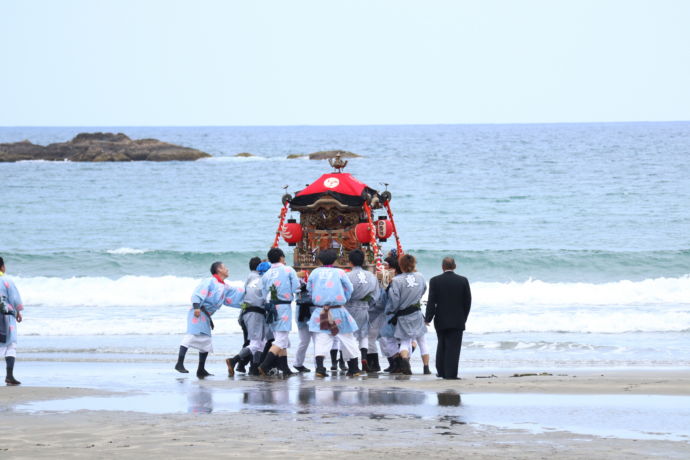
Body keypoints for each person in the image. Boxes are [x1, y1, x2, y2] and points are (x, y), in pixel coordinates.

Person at [175, 261, 244, 379]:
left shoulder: (224, 286)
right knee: (191, 336)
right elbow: (198, 293)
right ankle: (179, 363)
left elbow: (237, 293)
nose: (227, 269)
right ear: (219, 270)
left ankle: (201, 369)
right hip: (197, 312)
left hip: (206, 315)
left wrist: (252, 292)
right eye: (225, 267)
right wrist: (196, 307)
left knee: (206, 341)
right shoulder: (209, 281)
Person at [307, 249, 361, 377]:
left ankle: (320, 368)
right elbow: (349, 288)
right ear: (335, 259)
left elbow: (309, 289)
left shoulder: (314, 272)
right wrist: (345, 298)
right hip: (338, 310)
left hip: (321, 310)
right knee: (348, 338)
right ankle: (354, 368)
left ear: (319, 259)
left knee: (322, 339)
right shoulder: (340, 272)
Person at [425, 256, 472, 380]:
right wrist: (464, 317)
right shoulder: (463, 280)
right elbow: (467, 302)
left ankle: (441, 371)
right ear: (454, 266)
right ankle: (450, 374)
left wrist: (428, 318)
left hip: (440, 319)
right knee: (454, 348)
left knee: (442, 344)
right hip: (457, 319)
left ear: (442, 267)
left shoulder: (434, 280)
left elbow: (431, 301)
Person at [258, 248, 300, 376]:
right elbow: (296, 287)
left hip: (271, 307)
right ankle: (264, 366)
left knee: (281, 338)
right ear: (282, 258)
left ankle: (285, 368)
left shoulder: (266, 274)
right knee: (281, 340)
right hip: (283, 307)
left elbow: (263, 293)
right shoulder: (288, 270)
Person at [226, 259, 272, 377]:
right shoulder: (265, 280)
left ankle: (254, 367)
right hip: (256, 313)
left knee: (260, 342)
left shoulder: (250, 277)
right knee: (256, 343)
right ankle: (234, 360)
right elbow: (268, 299)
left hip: (247, 312)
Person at [385, 253, 427, 375]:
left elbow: (394, 299)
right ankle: (423, 366)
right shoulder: (420, 276)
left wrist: (391, 310)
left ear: (400, 265)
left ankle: (404, 362)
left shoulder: (397, 280)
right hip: (417, 312)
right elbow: (424, 289)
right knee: (418, 340)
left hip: (402, 314)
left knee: (404, 341)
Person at [344, 249, 379, 371]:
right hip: (364, 307)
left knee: (350, 335)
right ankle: (364, 357)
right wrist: (368, 303)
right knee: (364, 334)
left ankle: (352, 363)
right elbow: (376, 294)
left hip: (350, 307)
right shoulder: (371, 276)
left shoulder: (347, 276)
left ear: (350, 262)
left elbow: (344, 294)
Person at [0, 256, 23, 386]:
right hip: (6, 316)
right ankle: (9, 376)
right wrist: (18, 311)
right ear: (2, 267)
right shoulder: (6, 280)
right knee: (10, 345)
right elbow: (14, 299)